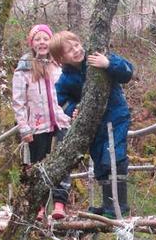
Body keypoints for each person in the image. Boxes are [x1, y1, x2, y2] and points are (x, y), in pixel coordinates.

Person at [50, 31, 134, 218]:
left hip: (115, 116)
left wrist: (108, 64)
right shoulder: (66, 78)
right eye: (69, 50)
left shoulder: (99, 56)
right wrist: (73, 108)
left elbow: (128, 71)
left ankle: (119, 205)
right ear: (61, 58)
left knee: (115, 156)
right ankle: (107, 205)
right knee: (100, 161)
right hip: (93, 124)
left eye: (77, 45)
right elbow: (60, 101)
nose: (77, 51)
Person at [11, 23, 71, 221]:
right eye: (38, 39)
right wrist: (24, 127)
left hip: (61, 121)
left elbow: (70, 90)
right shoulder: (24, 68)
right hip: (37, 124)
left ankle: (60, 203)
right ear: (32, 43)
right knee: (39, 165)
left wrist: (71, 111)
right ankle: (39, 206)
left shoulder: (59, 64)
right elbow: (18, 101)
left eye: (45, 38)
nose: (42, 42)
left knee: (63, 161)